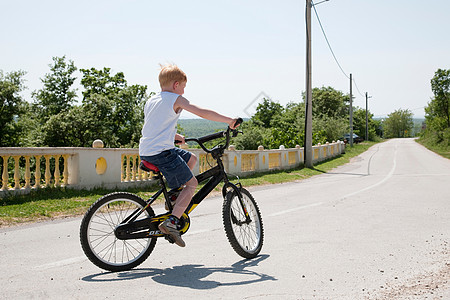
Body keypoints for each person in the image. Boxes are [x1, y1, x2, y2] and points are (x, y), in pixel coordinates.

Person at [139, 64, 240, 247]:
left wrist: (176, 137)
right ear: (176, 85)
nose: (184, 91)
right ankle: (172, 222)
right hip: (162, 152)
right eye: (184, 87)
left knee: (191, 158)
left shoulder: (152, 100)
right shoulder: (176, 98)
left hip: (148, 150)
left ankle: (174, 197)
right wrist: (229, 120)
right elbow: (202, 112)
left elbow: (155, 125)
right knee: (192, 183)